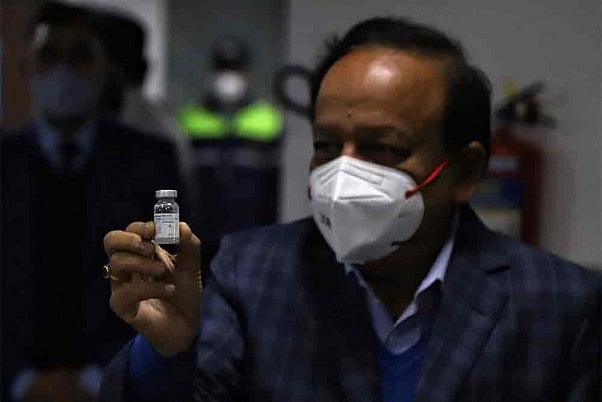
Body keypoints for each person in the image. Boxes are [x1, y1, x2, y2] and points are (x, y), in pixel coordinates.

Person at [100, 17, 601, 402]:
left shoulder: (561, 307)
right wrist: (166, 352)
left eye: (383, 148)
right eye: (326, 145)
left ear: (465, 172)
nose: (343, 176)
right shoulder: (251, 274)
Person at [1, 2, 182, 401]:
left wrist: (99, 378)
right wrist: (19, 381)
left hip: (120, 381)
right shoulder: (6, 162)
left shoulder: (153, 163)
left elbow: (171, 273)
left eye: (80, 55)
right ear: (27, 67)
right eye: (50, 54)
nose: (63, 70)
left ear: (103, 69)